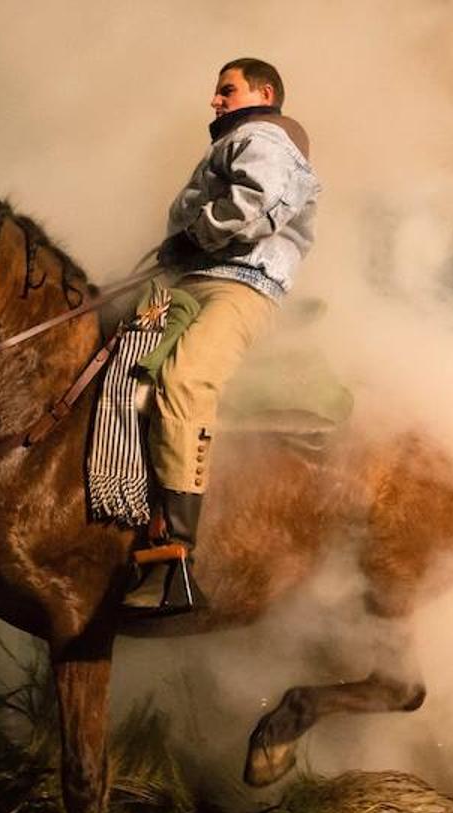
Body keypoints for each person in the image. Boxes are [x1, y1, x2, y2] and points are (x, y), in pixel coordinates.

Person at [124, 58, 321, 616]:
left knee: (184, 382)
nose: (215, 101)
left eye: (226, 90)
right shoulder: (233, 143)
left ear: (264, 92)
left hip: (238, 287)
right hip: (192, 284)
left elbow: (259, 204)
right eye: (216, 92)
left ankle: (173, 561)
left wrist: (194, 236)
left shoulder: (265, 136)